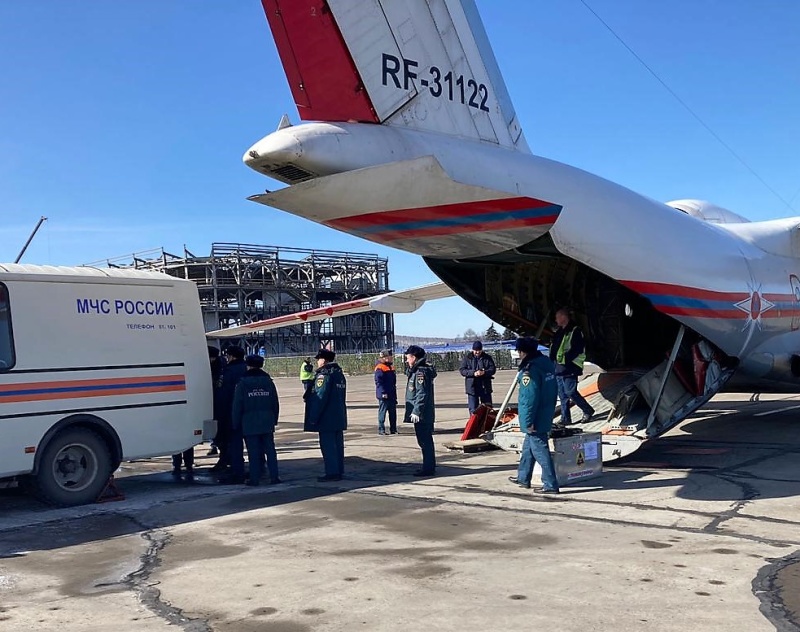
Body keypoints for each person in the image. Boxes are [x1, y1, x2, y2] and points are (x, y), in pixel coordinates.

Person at [508, 337, 560, 494]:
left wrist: (527, 421)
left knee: (540, 450)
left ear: (523, 352)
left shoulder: (529, 371)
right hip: (545, 411)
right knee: (528, 447)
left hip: (535, 417)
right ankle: (523, 477)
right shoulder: (546, 364)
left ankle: (550, 484)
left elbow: (528, 399)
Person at [232, 355, 281, 486]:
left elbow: (238, 404)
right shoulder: (268, 381)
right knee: (270, 450)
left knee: (253, 452)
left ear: (248, 365)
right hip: (266, 420)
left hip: (249, 421)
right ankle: (274, 476)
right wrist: (274, 419)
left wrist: (235, 422)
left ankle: (255, 479)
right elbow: (274, 402)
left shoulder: (242, 383)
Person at [304, 348, 347, 481]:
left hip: (326, 418)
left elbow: (320, 398)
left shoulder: (324, 376)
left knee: (328, 447)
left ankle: (332, 472)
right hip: (338, 416)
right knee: (338, 446)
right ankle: (338, 470)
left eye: (319, 359)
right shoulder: (339, 374)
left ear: (324, 360)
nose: (317, 362)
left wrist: (313, 418)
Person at [549, 308, 595, 425]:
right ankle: (565, 419)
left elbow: (577, 349)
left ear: (563, 317)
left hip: (569, 367)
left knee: (570, 392)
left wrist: (564, 360)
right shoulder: (559, 332)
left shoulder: (575, 331)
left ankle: (587, 410)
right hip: (558, 368)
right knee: (562, 395)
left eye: (557, 317)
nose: (556, 319)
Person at [214, 345, 248, 481]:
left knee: (235, 442)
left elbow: (222, 394)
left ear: (232, 356)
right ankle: (259, 466)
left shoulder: (228, 372)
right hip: (249, 412)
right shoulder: (248, 368)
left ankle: (237, 470)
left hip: (232, 411)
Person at [403, 345, 437, 477]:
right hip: (424, 412)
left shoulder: (420, 373)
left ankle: (428, 468)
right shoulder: (417, 371)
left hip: (423, 414)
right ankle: (428, 466)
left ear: (414, 357)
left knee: (425, 441)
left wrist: (417, 411)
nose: (407, 361)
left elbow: (422, 394)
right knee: (424, 440)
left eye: (408, 358)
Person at [459, 340, 497, 414]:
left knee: (488, 409)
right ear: (473, 350)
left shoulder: (487, 358)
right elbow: (462, 370)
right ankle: (474, 424)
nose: (477, 352)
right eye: (476, 350)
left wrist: (484, 372)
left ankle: (487, 424)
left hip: (485, 387)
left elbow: (493, 369)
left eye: (479, 350)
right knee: (473, 410)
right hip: (472, 388)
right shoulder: (467, 358)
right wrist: (473, 373)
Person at [206, 345, 225, 456]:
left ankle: (215, 445)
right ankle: (213, 444)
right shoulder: (220, 364)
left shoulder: (219, 366)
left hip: (216, 398)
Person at [374, 349, 397, 435]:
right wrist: (383, 393)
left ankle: (393, 429)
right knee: (382, 412)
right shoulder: (380, 367)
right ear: (386, 357)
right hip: (384, 394)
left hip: (391, 394)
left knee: (393, 413)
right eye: (390, 357)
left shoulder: (390, 366)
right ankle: (381, 429)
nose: (392, 358)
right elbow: (379, 382)